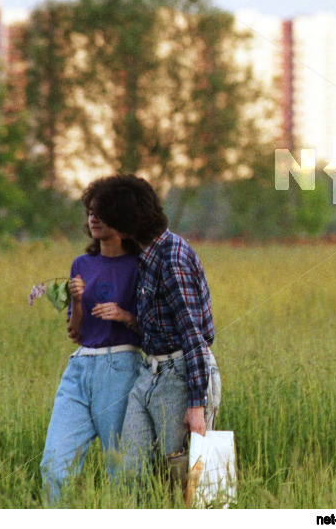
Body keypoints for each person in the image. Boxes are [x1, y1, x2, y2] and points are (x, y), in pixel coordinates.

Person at [91, 174, 221, 484]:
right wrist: (124, 317)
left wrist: (196, 406)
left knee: (179, 479)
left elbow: (194, 336)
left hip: (179, 376)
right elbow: (155, 326)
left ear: (126, 223)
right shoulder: (146, 257)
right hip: (149, 374)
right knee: (129, 476)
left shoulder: (172, 258)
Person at [40, 178, 143, 504]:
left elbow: (155, 327)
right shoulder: (82, 264)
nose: (93, 218)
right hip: (80, 368)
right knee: (55, 464)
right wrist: (79, 303)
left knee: (121, 469)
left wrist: (124, 315)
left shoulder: (139, 266)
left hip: (121, 367)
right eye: (90, 212)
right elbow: (76, 333)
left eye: (102, 212)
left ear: (123, 219)